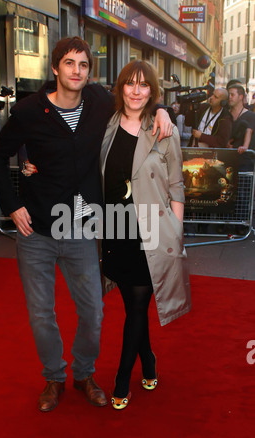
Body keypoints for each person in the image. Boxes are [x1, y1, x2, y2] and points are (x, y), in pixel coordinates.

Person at [0, 37, 173, 413]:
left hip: (82, 229)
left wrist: (163, 110)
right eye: (69, 63)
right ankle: (54, 377)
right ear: (55, 68)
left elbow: (136, 99)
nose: (76, 71)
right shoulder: (27, 111)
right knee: (41, 314)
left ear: (90, 70)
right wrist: (12, 205)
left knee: (93, 311)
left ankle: (84, 373)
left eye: (83, 65)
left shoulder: (100, 103)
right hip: (36, 230)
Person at [99, 60, 191, 410]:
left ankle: (123, 379)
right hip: (115, 228)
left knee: (138, 305)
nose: (136, 91)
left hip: (151, 231)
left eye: (143, 85)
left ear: (152, 91)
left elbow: (177, 185)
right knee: (131, 304)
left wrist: (176, 233)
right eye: (129, 84)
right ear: (121, 87)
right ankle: (148, 360)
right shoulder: (106, 124)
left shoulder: (163, 130)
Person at [227, 84, 255, 155]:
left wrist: (245, 146)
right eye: (228, 94)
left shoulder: (250, 115)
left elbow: (249, 131)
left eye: (232, 95)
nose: (229, 97)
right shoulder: (225, 114)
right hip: (226, 153)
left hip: (244, 156)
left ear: (240, 97)